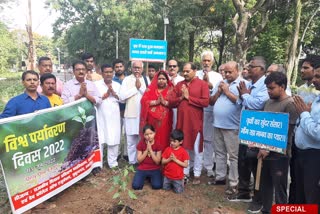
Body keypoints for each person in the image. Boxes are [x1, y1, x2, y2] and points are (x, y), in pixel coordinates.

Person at [228, 56, 269, 214]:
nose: (249, 68)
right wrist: (243, 95)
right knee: (243, 161)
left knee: (255, 164)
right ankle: (243, 192)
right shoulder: (249, 84)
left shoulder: (266, 85)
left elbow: (257, 104)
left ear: (261, 69)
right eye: (249, 66)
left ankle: (258, 199)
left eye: (253, 66)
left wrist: (245, 95)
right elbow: (240, 103)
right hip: (245, 127)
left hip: (257, 130)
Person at [259, 72, 298, 214]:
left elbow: (287, 131)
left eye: (271, 88)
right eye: (267, 88)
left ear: (282, 87)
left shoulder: (290, 104)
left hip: (280, 155)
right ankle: (266, 210)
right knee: (265, 185)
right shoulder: (268, 102)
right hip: (264, 151)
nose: (268, 91)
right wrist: (260, 146)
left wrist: (268, 148)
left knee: (280, 188)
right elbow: (264, 126)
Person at [209, 61, 248, 196]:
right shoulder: (220, 82)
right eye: (225, 71)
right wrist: (219, 92)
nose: (226, 74)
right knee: (219, 152)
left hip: (232, 126)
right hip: (217, 124)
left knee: (233, 156)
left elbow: (242, 101)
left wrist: (226, 91)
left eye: (229, 72)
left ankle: (233, 183)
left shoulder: (243, 84)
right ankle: (220, 177)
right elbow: (211, 101)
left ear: (237, 71)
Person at [168, 62, 209, 185]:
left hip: (195, 123)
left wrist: (189, 98)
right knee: (184, 148)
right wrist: (181, 98)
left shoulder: (202, 84)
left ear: (195, 71)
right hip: (182, 122)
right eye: (184, 71)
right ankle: (185, 172)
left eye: (187, 71)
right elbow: (170, 101)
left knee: (197, 149)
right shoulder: (180, 85)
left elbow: (206, 102)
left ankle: (196, 174)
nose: (184, 73)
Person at [292, 63, 320, 206]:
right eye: (314, 75)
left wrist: (304, 114)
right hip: (302, 153)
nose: (314, 80)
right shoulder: (317, 99)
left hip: (314, 157)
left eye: (318, 77)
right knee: (300, 194)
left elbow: (317, 133)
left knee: (312, 198)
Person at [196, 50, 223, 178]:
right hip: (196, 111)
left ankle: (208, 166)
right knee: (196, 139)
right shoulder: (195, 74)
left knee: (209, 140)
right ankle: (195, 165)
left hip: (210, 111)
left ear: (212, 61)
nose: (206, 63)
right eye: (204, 60)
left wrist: (209, 85)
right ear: (201, 61)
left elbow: (218, 93)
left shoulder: (218, 76)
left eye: (208, 60)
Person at [95, 64, 122, 168]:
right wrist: (105, 95)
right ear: (101, 73)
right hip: (101, 115)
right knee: (100, 140)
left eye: (110, 72)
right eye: (106, 72)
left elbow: (122, 99)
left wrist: (114, 94)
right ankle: (99, 164)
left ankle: (113, 163)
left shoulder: (117, 85)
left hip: (114, 115)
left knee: (114, 138)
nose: (108, 74)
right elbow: (94, 100)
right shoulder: (96, 85)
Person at [119, 60, 147, 165]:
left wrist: (140, 89)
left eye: (139, 68)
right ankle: (132, 162)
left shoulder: (146, 79)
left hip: (143, 115)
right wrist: (135, 89)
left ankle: (142, 161)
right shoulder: (126, 80)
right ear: (131, 68)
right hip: (130, 115)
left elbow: (149, 95)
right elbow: (121, 97)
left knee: (143, 139)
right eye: (135, 67)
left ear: (142, 69)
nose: (137, 70)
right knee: (131, 141)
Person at [140, 71, 174, 151]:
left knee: (164, 137)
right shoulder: (150, 89)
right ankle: (151, 157)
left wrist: (165, 103)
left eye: (163, 79)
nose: (161, 81)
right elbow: (143, 101)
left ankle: (163, 158)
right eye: (159, 79)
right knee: (151, 137)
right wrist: (155, 102)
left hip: (165, 120)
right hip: (151, 121)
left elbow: (174, 102)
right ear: (156, 79)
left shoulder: (171, 89)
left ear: (167, 80)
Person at [132, 124, 162, 190]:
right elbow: (139, 160)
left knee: (157, 186)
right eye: (146, 134)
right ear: (144, 135)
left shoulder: (158, 144)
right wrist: (146, 150)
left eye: (151, 133)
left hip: (154, 168)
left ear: (154, 133)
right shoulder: (141, 143)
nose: (149, 136)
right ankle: (146, 177)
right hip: (142, 168)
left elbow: (157, 162)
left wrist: (151, 150)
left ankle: (149, 177)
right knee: (136, 186)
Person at [162, 129, 189, 193]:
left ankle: (184, 180)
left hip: (177, 178)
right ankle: (171, 184)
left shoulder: (183, 152)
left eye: (174, 141)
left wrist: (175, 160)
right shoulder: (167, 149)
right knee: (165, 189)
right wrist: (169, 159)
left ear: (181, 142)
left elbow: (186, 165)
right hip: (167, 176)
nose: (172, 143)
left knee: (179, 192)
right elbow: (162, 162)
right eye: (171, 140)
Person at [113, 59, 129, 161]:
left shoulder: (129, 80)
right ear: (114, 68)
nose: (119, 68)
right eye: (117, 67)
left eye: (120, 66)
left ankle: (127, 154)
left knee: (128, 133)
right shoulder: (112, 81)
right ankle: (117, 153)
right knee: (117, 133)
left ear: (124, 67)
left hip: (128, 111)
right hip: (116, 111)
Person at [167, 59, 184, 130]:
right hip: (166, 107)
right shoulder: (163, 78)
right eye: (170, 66)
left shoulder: (182, 80)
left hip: (177, 108)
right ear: (167, 68)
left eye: (174, 66)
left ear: (177, 68)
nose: (172, 68)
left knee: (176, 128)